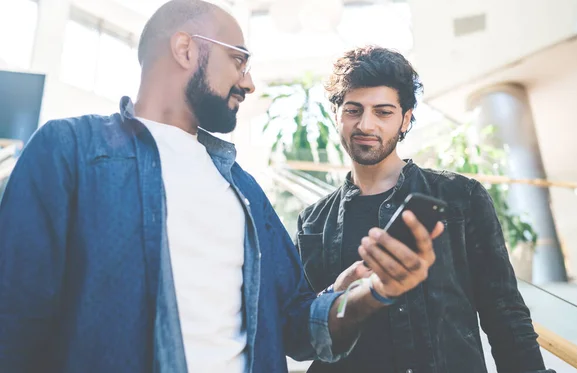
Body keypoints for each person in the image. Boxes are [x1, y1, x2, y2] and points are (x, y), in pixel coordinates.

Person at [0, 2, 444, 372]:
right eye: (239, 59)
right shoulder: (72, 151)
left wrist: (370, 293)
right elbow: (14, 320)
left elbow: (300, 329)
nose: (249, 81)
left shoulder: (244, 190)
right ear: (185, 48)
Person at [295, 46, 555, 373]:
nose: (366, 124)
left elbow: (504, 313)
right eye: (353, 110)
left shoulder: (460, 197)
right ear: (337, 115)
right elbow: (307, 326)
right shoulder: (313, 222)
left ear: (406, 119)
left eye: (383, 112)